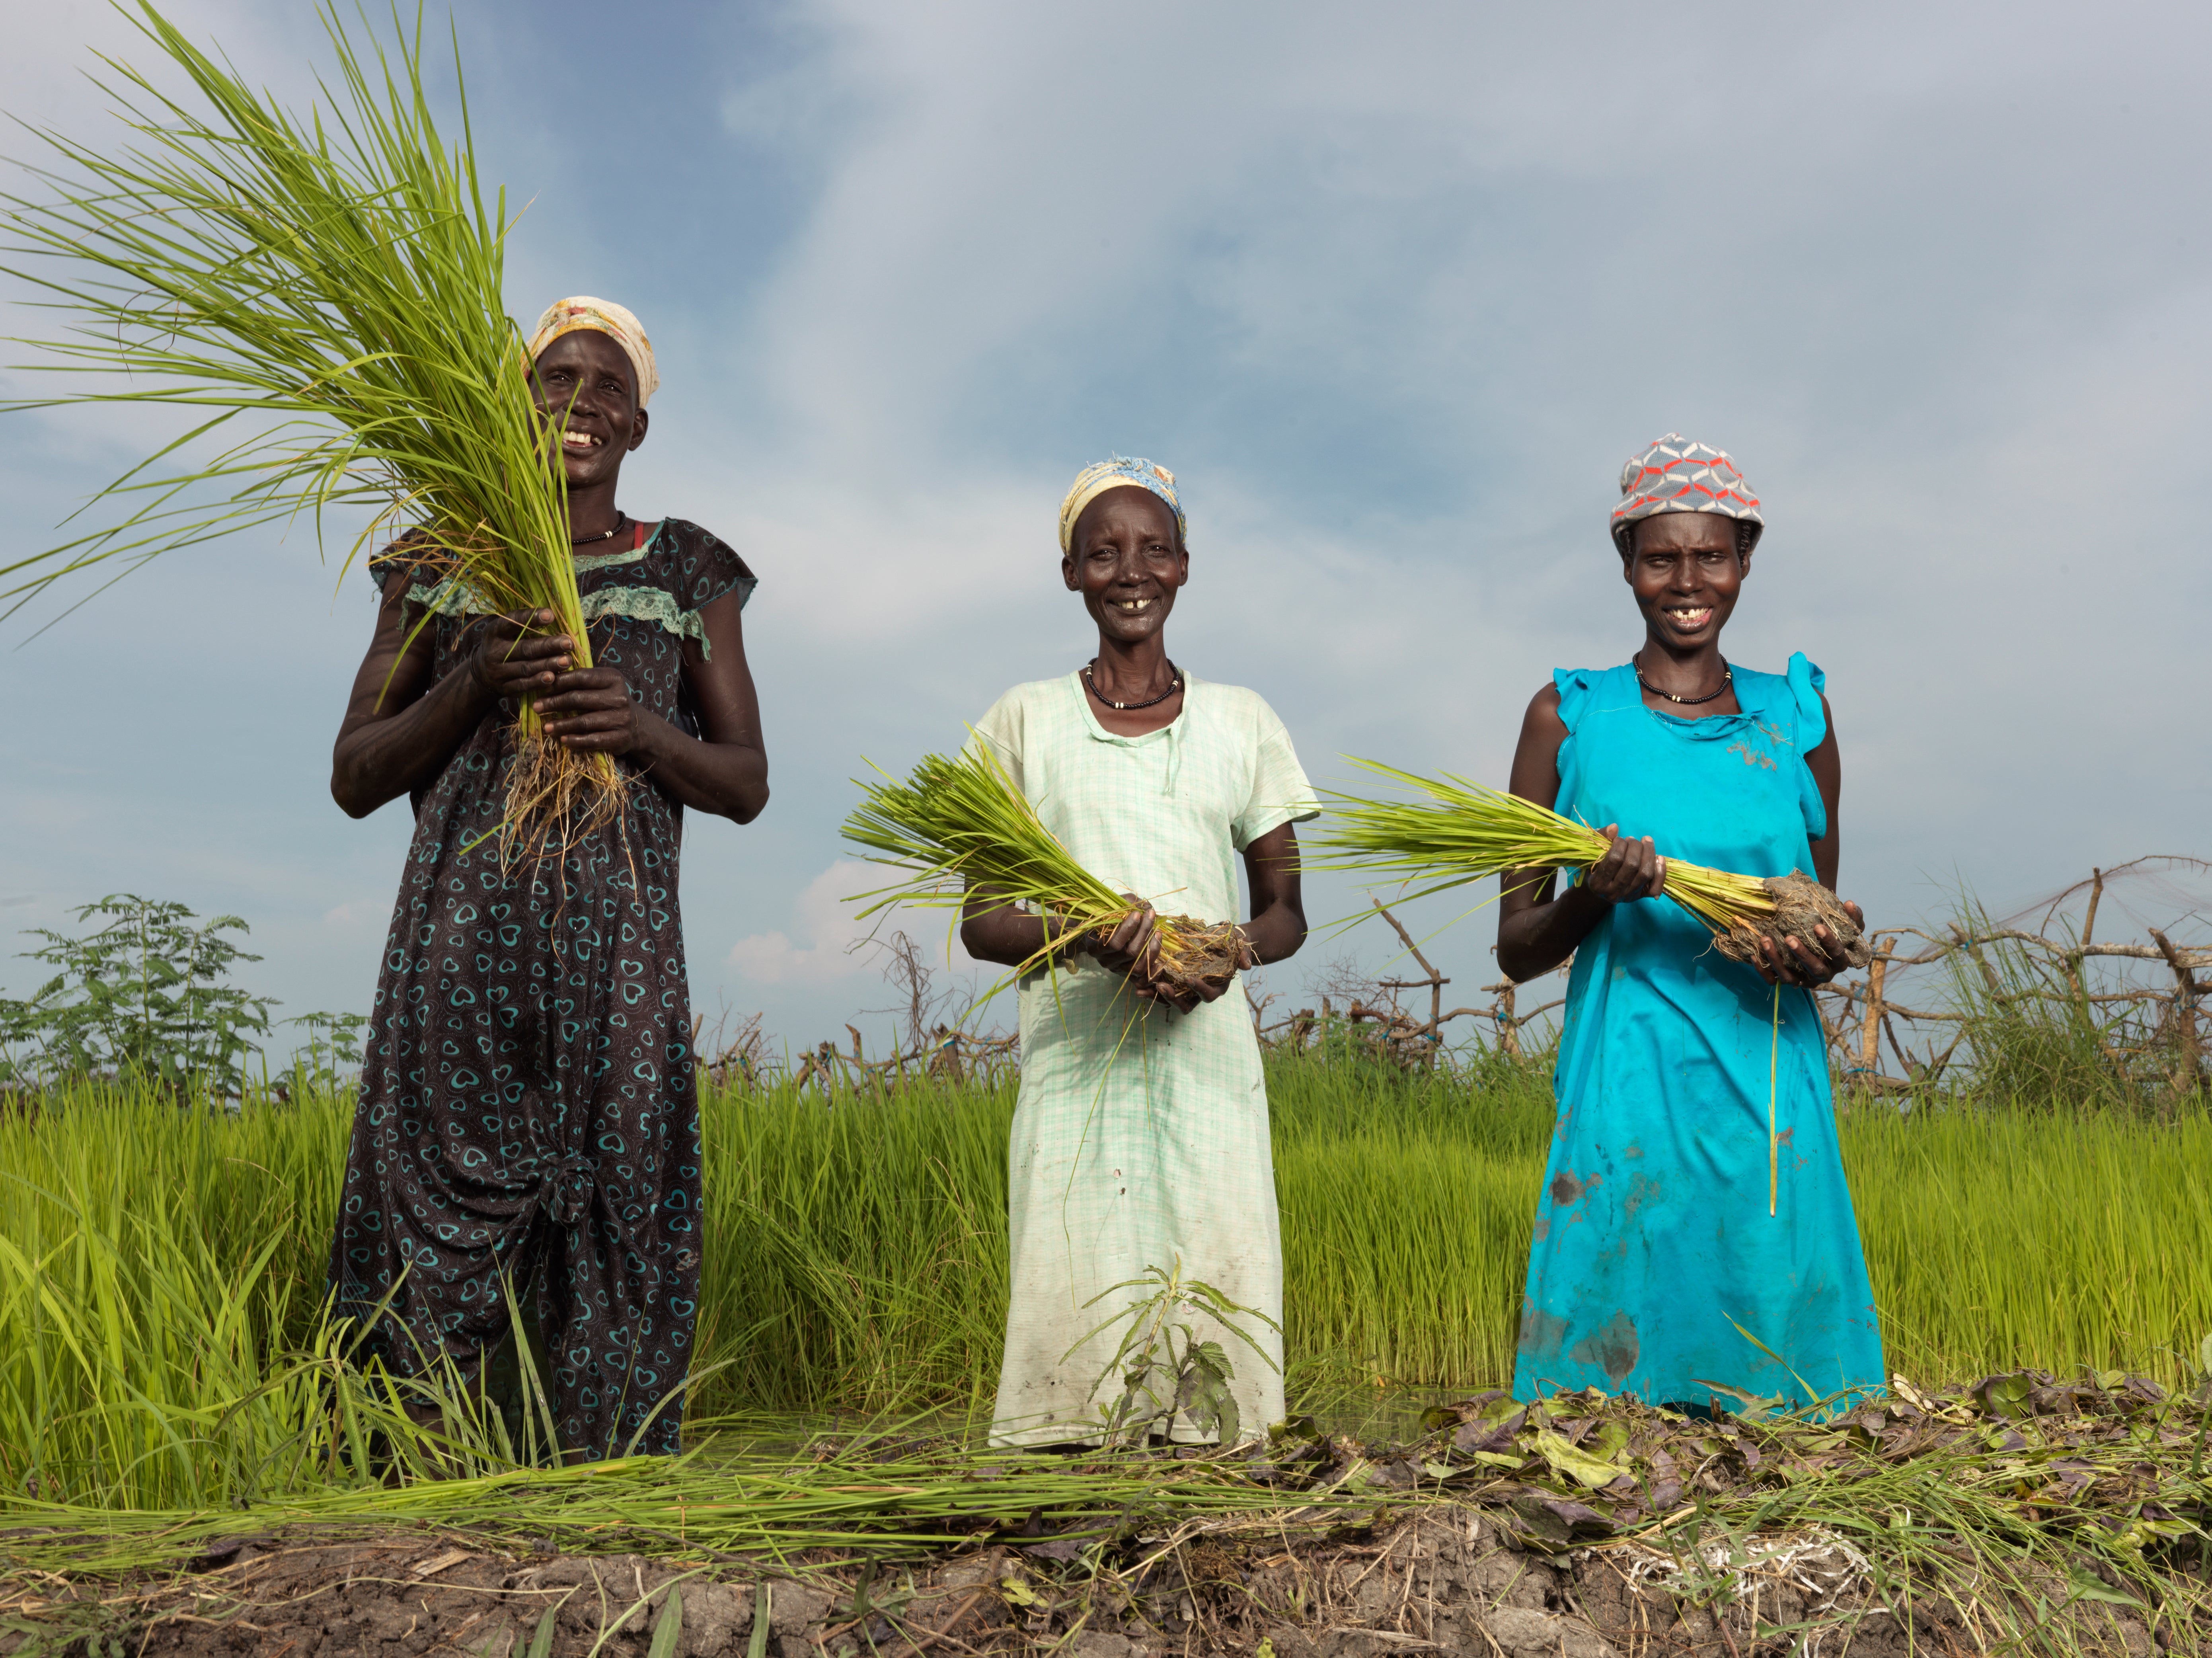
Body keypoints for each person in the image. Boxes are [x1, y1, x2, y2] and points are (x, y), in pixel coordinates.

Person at [326, 297, 768, 1459]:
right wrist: (472, 680)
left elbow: (745, 780)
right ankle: (414, 1480)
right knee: (437, 1195)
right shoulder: (441, 564)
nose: (580, 404)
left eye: (608, 386)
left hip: (619, 951)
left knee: (618, 1189)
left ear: (638, 426)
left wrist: (642, 728)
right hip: (460, 942)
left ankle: (593, 1488)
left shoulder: (687, 567)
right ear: (515, 406)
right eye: (555, 379)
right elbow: (356, 774)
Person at [1498, 434, 1882, 1411]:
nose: (1685, 580)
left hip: (1763, 1081)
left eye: (1709, 556)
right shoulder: (1566, 718)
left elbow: (1818, 925)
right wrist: (1595, 891)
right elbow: (1515, 951)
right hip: (1624, 1076)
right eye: (1659, 556)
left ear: (1743, 561)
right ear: (1625, 562)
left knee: (1769, 1340)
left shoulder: (1793, 717)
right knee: (1611, 1375)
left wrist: (1820, 944)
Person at [961, 457, 1316, 1447]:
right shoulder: (1022, 722)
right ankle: (1063, 1457)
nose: (1131, 569)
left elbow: (1283, 912)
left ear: (1185, 567)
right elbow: (984, 921)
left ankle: (1220, 1458)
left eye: (1153, 548)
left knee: (1216, 1251)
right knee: (1073, 1262)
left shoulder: (1242, 721)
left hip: (1206, 1060)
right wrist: (1089, 938)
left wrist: (1217, 954)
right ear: (1070, 573)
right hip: (1077, 1060)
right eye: (1103, 551)